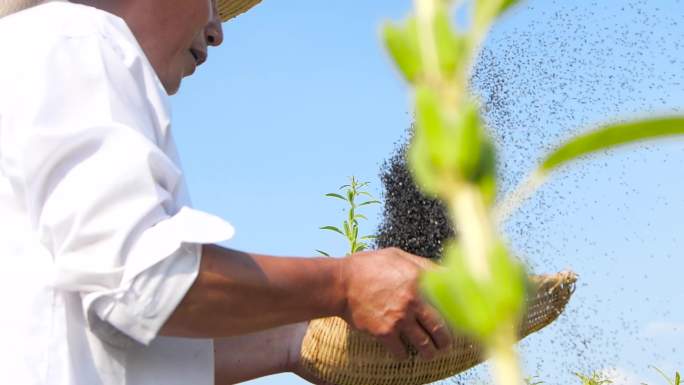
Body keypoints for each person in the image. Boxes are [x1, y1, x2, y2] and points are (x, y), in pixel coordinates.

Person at [0, 0, 454, 384]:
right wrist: (344, 283)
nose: (216, 31)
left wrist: (295, 341)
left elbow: (117, 329)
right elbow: (146, 283)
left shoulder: (35, 61)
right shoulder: (77, 37)